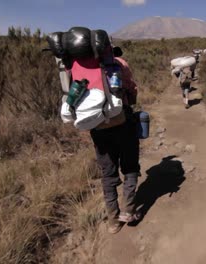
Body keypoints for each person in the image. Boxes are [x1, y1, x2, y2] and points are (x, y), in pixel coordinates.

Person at [69, 49, 141, 234]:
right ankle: (129, 211)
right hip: (123, 122)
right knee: (130, 167)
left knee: (108, 174)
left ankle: (113, 221)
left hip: (98, 128)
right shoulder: (118, 63)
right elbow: (131, 88)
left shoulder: (76, 67)